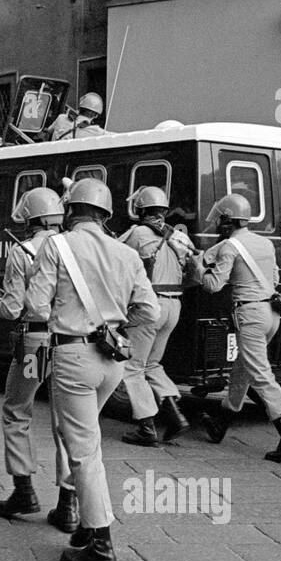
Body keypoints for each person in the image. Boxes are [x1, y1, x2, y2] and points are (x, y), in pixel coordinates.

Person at [23, 178, 158, 561]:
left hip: (72, 355)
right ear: (105, 214)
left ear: (70, 210)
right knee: (84, 438)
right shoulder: (125, 252)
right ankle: (84, 525)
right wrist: (115, 329)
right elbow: (148, 311)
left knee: (82, 448)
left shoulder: (56, 245)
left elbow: (34, 305)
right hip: (111, 360)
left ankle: (101, 545)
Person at [196, 194, 281, 463]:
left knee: (259, 373)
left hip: (250, 314)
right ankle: (221, 421)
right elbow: (275, 277)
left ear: (226, 220)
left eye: (220, 220)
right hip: (271, 312)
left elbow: (213, 286)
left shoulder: (229, 247)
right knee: (242, 369)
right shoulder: (264, 242)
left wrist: (197, 268)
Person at [0, 186, 76, 531]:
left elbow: (12, 308)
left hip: (36, 343)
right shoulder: (73, 246)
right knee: (68, 420)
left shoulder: (21, 250)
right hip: (71, 342)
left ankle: (24, 490)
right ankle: (69, 503)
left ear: (31, 219)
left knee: (17, 409)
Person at [117, 186, 195, 446]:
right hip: (174, 306)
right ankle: (176, 416)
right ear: (163, 210)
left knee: (132, 367)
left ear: (140, 210)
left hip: (151, 305)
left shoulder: (137, 233)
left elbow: (113, 256)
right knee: (153, 364)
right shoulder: (179, 237)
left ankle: (147, 427)